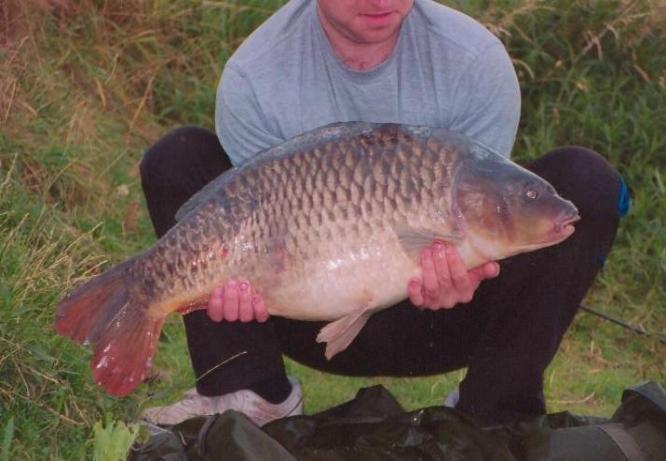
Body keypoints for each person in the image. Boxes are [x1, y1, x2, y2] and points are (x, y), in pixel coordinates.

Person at [140, 0, 625, 426]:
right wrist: (230, 285)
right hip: (301, 308)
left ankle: (493, 407)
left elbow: (492, 200)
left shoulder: (474, 61)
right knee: (177, 157)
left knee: (586, 181)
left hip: (446, 317)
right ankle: (249, 392)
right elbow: (249, 225)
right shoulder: (256, 75)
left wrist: (470, 271)